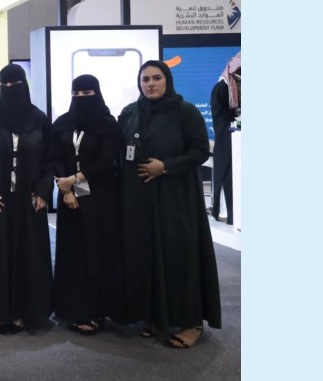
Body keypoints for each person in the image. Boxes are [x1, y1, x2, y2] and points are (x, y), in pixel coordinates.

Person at [118, 60, 221, 349]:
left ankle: (191, 323)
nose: (151, 84)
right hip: (140, 200)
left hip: (176, 198)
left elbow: (200, 151)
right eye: (145, 79)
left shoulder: (185, 112)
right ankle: (156, 317)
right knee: (149, 257)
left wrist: (165, 166)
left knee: (180, 258)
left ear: (167, 80)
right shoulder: (130, 113)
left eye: (156, 78)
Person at [0, 64, 54, 333]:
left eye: (15, 85)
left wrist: (43, 190)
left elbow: (50, 158)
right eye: (5, 86)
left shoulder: (39, 119)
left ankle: (26, 311)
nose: (10, 90)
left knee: (28, 254)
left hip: (29, 199)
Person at [51, 74, 123, 336]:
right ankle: (70, 307)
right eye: (76, 94)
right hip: (68, 196)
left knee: (96, 251)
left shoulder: (107, 124)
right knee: (71, 253)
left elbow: (106, 160)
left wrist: (75, 180)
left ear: (97, 93)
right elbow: (54, 156)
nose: (81, 98)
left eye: (87, 93)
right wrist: (66, 188)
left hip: (99, 197)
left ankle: (95, 311)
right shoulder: (62, 123)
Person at [209, 53, 241, 224]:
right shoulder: (222, 88)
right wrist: (237, 119)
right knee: (227, 173)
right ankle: (225, 212)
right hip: (228, 139)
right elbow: (220, 116)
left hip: (239, 138)